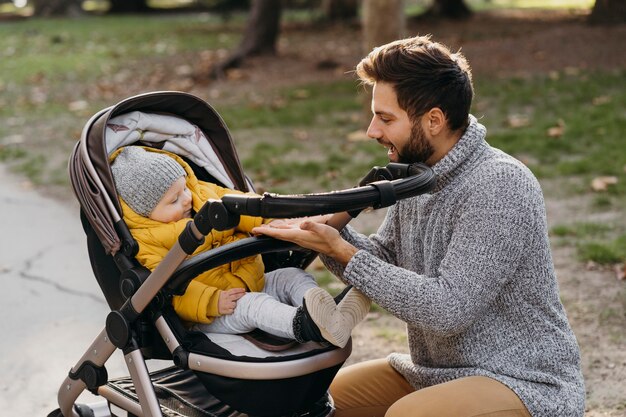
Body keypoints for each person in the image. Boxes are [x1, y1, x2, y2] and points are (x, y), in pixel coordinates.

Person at [252, 35, 585, 416]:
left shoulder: (499, 185)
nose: (372, 131)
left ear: (434, 120)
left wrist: (341, 249)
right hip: (435, 373)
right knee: (313, 401)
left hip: (524, 384)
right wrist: (327, 235)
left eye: (385, 118)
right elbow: (385, 260)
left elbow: (448, 309)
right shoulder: (419, 177)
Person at [110, 145, 371, 348]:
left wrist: (274, 220)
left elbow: (244, 206)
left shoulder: (202, 194)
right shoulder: (147, 240)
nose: (187, 198)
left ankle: (330, 315)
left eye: (184, 188)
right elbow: (167, 287)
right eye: (174, 200)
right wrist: (212, 301)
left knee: (292, 276)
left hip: (251, 279)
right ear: (146, 213)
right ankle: (306, 325)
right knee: (254, 306)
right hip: (215, 310)